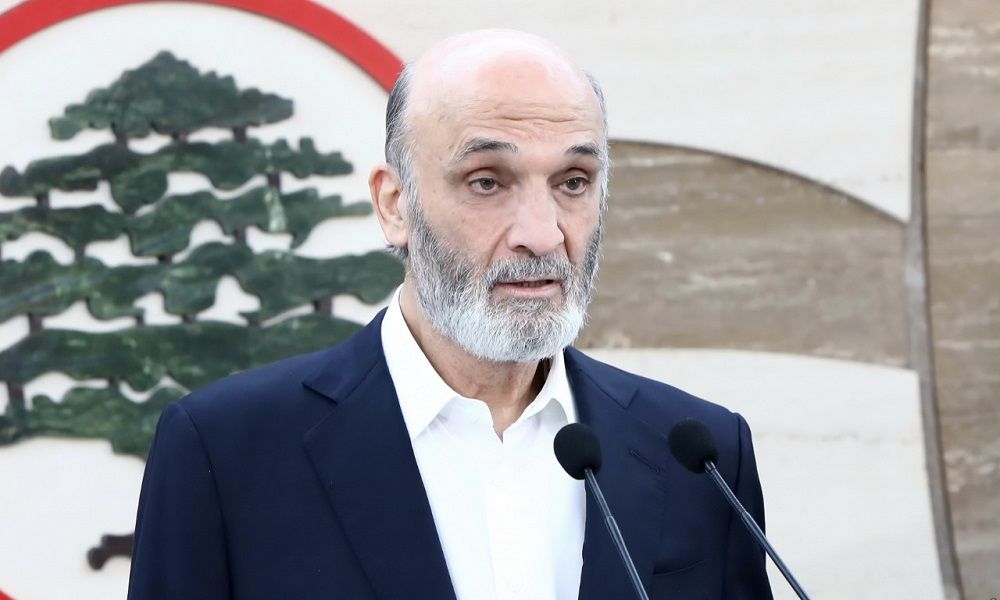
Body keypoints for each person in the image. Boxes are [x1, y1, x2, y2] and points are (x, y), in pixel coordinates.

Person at [128, 29, 772, 600]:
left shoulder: (701, 456)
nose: (542, 234)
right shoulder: (226, 452)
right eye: (486, 181)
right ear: (394, 204)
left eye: (573, 182)